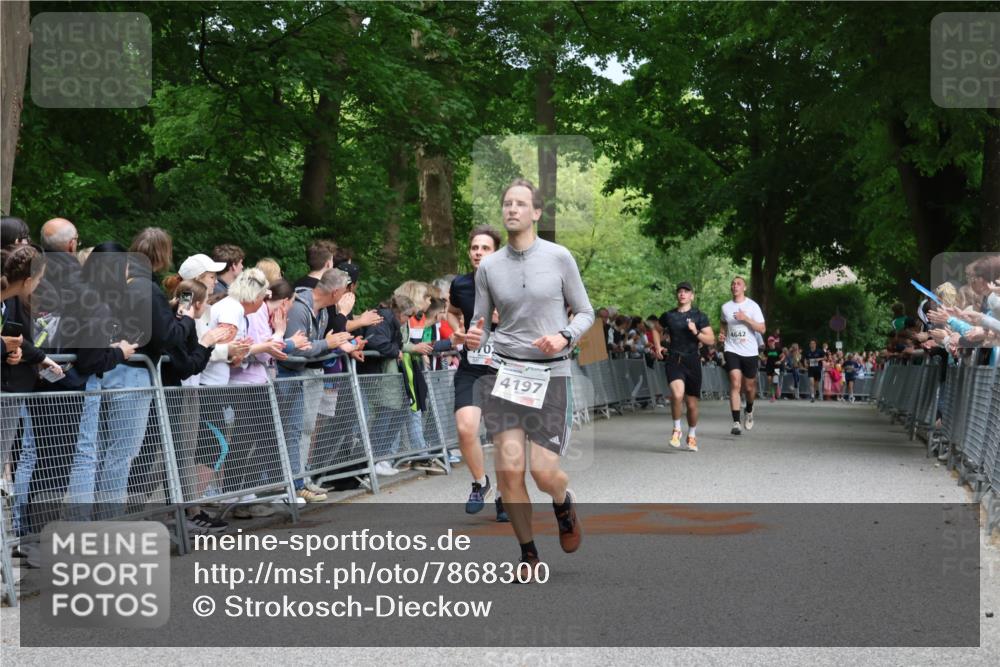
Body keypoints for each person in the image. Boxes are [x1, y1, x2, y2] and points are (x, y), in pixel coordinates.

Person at [465, 178, 594, 582]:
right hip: (506, 374)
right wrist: (474, 336)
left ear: (536, 213)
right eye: (507, 204)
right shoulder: (489, 266)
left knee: (543, 473)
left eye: (521, 204)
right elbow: (480, 324)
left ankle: (562, 500)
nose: (512, 209)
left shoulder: (559, 258)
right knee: (508, 470)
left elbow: (586, 312)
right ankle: (529, 554)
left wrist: (564, 336)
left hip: (551, 374)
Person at [446, 225, 507, 519]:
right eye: (474, 248)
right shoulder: (461, 284)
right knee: (466, 427)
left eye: (485, 248)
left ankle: (506, 496)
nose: (478, 253)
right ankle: (480, 482)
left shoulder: (513, 284)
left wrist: (502, 319)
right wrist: (458, 331)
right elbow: (451, 309)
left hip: (506, 370)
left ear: (497, 252)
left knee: (503, 437)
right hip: (472, 367)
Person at [651, 281, 714, 451]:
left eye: (686, 291)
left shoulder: (700, 316)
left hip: (692, 360)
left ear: (692, 296)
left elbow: (711, 339)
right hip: (674, 359)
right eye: (679, 291)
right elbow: (655, 329)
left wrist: (696, 332)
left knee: (692, 405)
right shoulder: (669, 316)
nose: (682, 294)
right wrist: (657, 347)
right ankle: (677, 429)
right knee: (677, 395)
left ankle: (692, 435)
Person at [719, 276, 766, 436]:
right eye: (732, 283)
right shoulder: (725, 307)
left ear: (744, 288)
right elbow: (723, 323)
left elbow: (762, 329)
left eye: (738, 283)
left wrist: (745, 318)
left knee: (749, 387)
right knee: (735, 383)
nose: (734, 286)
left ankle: (750, 409)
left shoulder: (753, 306)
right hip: (731, 349)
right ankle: (736, 422)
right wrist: (722, 333)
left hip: (750, 352)